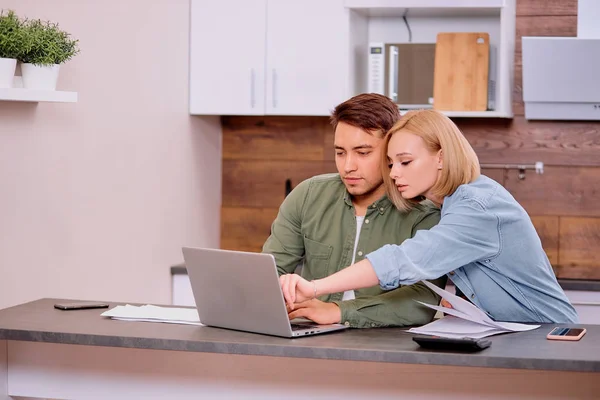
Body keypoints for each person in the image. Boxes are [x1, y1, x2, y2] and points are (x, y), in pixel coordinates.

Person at [280, 109, 578, 324]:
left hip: (548, 333)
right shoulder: (450, 205)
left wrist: (315, 287)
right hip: (516, 333)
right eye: (390, 163)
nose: (394, 173)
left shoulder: (477, 206)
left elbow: (403, 259)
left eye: (405, 161)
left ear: (441, 158)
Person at [262, 94, 447, 328]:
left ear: (392, 151)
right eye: (340, 152)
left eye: (363, 152)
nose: (348, 166)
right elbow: (270, 271)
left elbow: (422, 301)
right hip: (309, 334)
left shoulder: (425, 214)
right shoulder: (308, 195)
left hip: (383, 344)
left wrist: (338, 311)